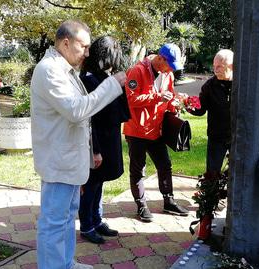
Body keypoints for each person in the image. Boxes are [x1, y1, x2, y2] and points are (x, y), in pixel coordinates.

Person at [30, 20, 126, 269]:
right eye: (83, 46)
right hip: (58, 162)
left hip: (69, 161)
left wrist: (91, 152)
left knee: (65, 219)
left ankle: (65, 264)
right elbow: (76, 110)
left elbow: (81, 119)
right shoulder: (49, 69)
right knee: (54, 222)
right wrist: (113, 84)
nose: (87, 53)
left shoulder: (64, 69)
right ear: (65, 42)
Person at [123, 43, 189, 222]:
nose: (171, 70)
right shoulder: (137, 71)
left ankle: (169, 201)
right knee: (138, 169)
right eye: (170, 65)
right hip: (136, 130)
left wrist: (174, 103)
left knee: (164, 165)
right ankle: (141, 205)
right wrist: (157, 97)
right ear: (160, 58)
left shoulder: (167, 74)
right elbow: (131, 100)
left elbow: (169, 96)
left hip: (156, 129)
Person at [78, 36, 130, 244]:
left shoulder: (101, 76)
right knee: (91, 185)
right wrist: (95, 150)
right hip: (97, 140)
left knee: (99, 183)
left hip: (109, 137)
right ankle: (86, 225)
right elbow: (90, 120)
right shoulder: (88, 79)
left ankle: (97, 220)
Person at [187, 49, 233, 180]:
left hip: (238, 136)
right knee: (212, 172)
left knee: (238, 171)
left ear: (231, 66)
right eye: (214, 66)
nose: (215, 70)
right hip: (217, 135)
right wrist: (188, 103)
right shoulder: (210, 86)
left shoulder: (243, 84)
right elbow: (200, 109)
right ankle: (210, 198)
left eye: (219, 66)